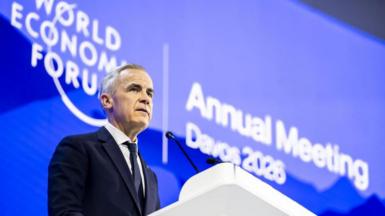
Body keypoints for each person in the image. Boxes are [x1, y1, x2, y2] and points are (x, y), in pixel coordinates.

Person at [48, 64, 160, 216]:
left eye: (150, 93)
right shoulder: (78, 149)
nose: (146, 99)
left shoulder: (150, 177)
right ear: (107, 101)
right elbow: (65, 212)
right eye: (134, 89)